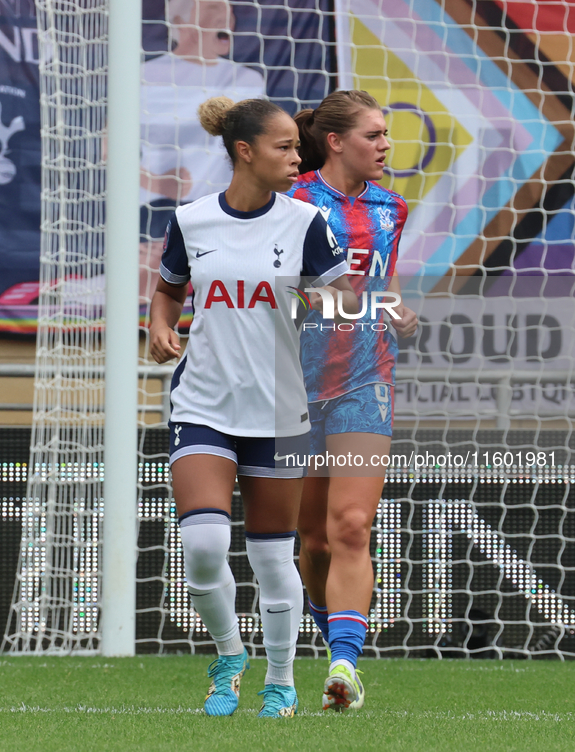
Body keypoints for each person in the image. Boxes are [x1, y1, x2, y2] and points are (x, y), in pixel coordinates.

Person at [149, 95, 357, 718]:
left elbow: (342, 301)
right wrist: (159, 328)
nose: (299, 158)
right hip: (203, 404)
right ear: (245, 152)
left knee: (272, 556)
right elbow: (166, 292)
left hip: (277, 411)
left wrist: (330, 306)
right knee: (206, 547)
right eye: (285, 147)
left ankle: (282, 679)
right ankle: (228, 659)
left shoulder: (305, 224)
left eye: (299, 147)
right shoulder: (191, 221)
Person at [288, 90, 418, 711]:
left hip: (365, 382)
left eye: (388, 135)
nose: (386, 146)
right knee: (312, 539)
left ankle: (345, 665)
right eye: (374, 135)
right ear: (336, 142)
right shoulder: (293, 201)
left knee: (351, 524)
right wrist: (317, 303)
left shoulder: (393, 207)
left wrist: (398, 310)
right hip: (292, 386)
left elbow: (384, 287)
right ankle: (329, 632)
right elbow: (281, 292)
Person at [139, 0, 265, 301]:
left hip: (225, 211)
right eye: (210, 8)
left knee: (230, 293)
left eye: (228, 10)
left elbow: (254, 151)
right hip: (154, 212)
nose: (225, 16)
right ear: (180, 23)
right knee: (152, 287)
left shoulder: (248, 80)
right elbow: (109, 152)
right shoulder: (145, 76)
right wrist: (155, 182)